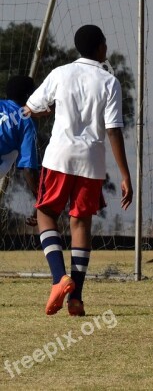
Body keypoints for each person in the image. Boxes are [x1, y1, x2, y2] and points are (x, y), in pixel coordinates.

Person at [24, 25, 133, 317]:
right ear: (100, 48)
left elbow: (31, 106)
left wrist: (45, 111)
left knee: (46, 214)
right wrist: (125, 175)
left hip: (59, 156)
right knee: (81, 224)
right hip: (92, 162)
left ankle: (60, 278)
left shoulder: (60, 73)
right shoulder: (110, 82)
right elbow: (113, 130)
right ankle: (76, 299)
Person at [0, 75, 40, 226]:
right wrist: (40, 200)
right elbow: (28, 168)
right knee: (16, 151)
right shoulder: (26, 120)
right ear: (29, 96)